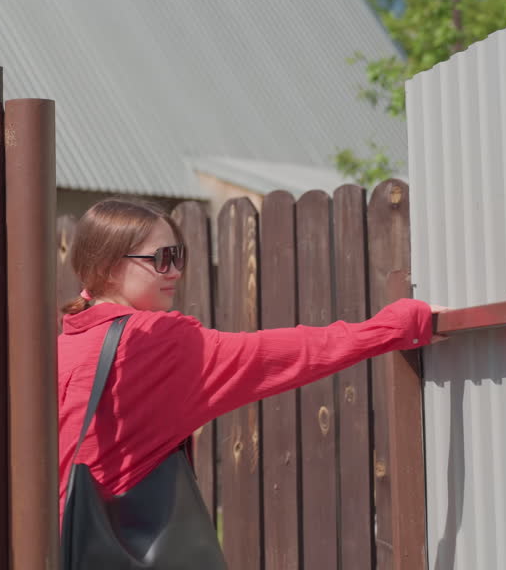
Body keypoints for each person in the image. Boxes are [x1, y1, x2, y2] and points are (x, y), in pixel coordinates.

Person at [58, 197, 443, 521]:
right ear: (108, 268)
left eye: (179, 256)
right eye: (161, 258)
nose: (175, 271)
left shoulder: (62, 346)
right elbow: (286, 353)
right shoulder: (156, 343)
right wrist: (401, 323)